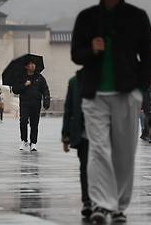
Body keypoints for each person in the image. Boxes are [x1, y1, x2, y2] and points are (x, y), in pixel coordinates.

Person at [70, 0, 151, 223]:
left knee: (123, 151)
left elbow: (149, 56)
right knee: (98, 149)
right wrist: (92, 50)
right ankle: (101, 204)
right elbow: (76, 54)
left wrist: (140, 89)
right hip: (94, 93)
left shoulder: (136, 17)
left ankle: (119, 204)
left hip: (126, 92)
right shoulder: (87, 17)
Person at [62, 69, 91, 220]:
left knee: (101, 168)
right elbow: (68, 109)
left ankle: (99, 199)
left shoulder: (105, 79)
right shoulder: (74, 82)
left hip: (102, 132)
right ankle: (87, 200)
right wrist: (65, 135)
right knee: (85, 167)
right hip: (82, 133)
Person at [12, 58, 50, 152]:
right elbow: (15, 90)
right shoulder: (21, 77)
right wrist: (24, 85)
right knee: (23, 121)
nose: (33, 65)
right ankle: (24, 140)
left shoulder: (40, 78)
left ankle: (33, 143)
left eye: (33, 64)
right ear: (26, 67)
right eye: (30, 64)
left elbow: (45, 90)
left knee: (34, 124)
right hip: (25, 103)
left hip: (36, 104)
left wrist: (46, 100)